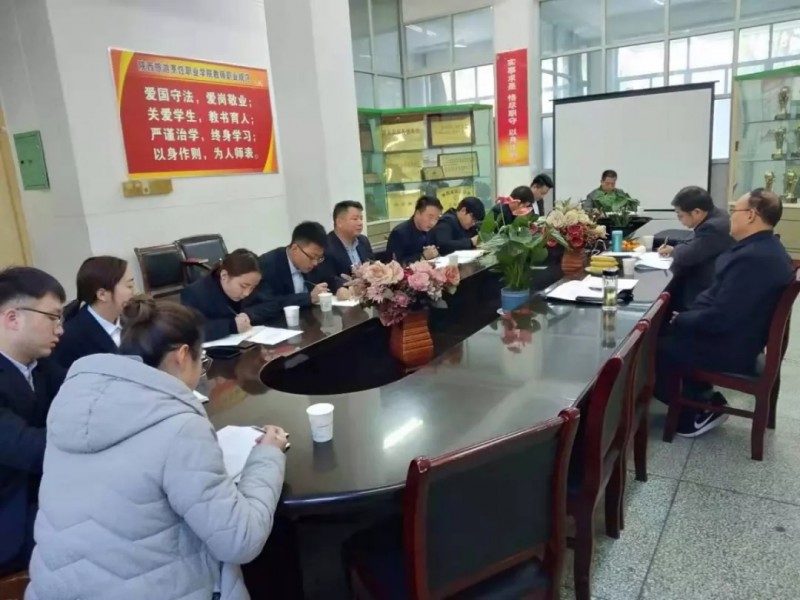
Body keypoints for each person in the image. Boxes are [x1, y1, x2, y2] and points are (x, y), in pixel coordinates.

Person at [27, 298, 289, 600]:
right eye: (202, 361)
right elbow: (240, 540)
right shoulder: (179, 427)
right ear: (182, 355)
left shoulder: (70, 404)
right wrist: (268, 456)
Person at [655, 189, 794, 437]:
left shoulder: (753, 258)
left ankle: (695, 414)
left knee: (655, 348)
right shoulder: (763, 248)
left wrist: (683, 318)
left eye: (734, 211)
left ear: (751, 215)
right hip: (742, 337)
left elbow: (721, 317)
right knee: (668, 329)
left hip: (732, 348)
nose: (730, 217)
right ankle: (702, 397)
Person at [0, 267, 66, 577]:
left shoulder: (41, 365)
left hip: (47, 498)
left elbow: (91, 401)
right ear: (13, 318)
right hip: (10, 519)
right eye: (53, 317)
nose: (60, 330)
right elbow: (31, 449)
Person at [52, 256, 136, 370]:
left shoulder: (135, 321)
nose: (134, 292)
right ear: (102, 294)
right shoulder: (71, 338)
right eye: (129, 286)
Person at [658, 186, 733, 311]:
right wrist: (674, 250)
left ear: (697, 212)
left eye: (680, 215)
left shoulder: (713, 227)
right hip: (718, 278)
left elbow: (687, 256)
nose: (679, 219)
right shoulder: (719, 214)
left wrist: (675, 251)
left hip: (707, 289)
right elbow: (697, 245)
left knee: (670, 285)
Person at [181, 248, 279, 341]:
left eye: (252, 287)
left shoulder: (251, 281)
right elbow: (191, 330)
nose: (247, 293)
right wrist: (231, 326)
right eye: (243, 286)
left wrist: (248, 315)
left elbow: (272, 304)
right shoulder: (195, 293)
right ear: (224, 275)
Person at [254, 221, 330, 308]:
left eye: (319, 258)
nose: (315, 263)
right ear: (294, 249)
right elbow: (269, 302)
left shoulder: (315, 261)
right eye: (312, 257)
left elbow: (329, 278)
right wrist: (308, 298)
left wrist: (339, 288)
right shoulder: (268, 265)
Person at [323, 200, 375, 296]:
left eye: (361, 218)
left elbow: (373, 266)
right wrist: (350, 286)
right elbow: (329, 278)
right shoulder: (326, 246)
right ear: (339, 222)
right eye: (355, 219)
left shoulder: (363, 241)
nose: (360, 223)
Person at [386, 195, 443, 264]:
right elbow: (394, 264)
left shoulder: (432, 230)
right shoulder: (399, 233)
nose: (433, 223)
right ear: (417, 213)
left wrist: (435, 253)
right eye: (430, 217)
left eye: (436, 218)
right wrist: (422, 257)